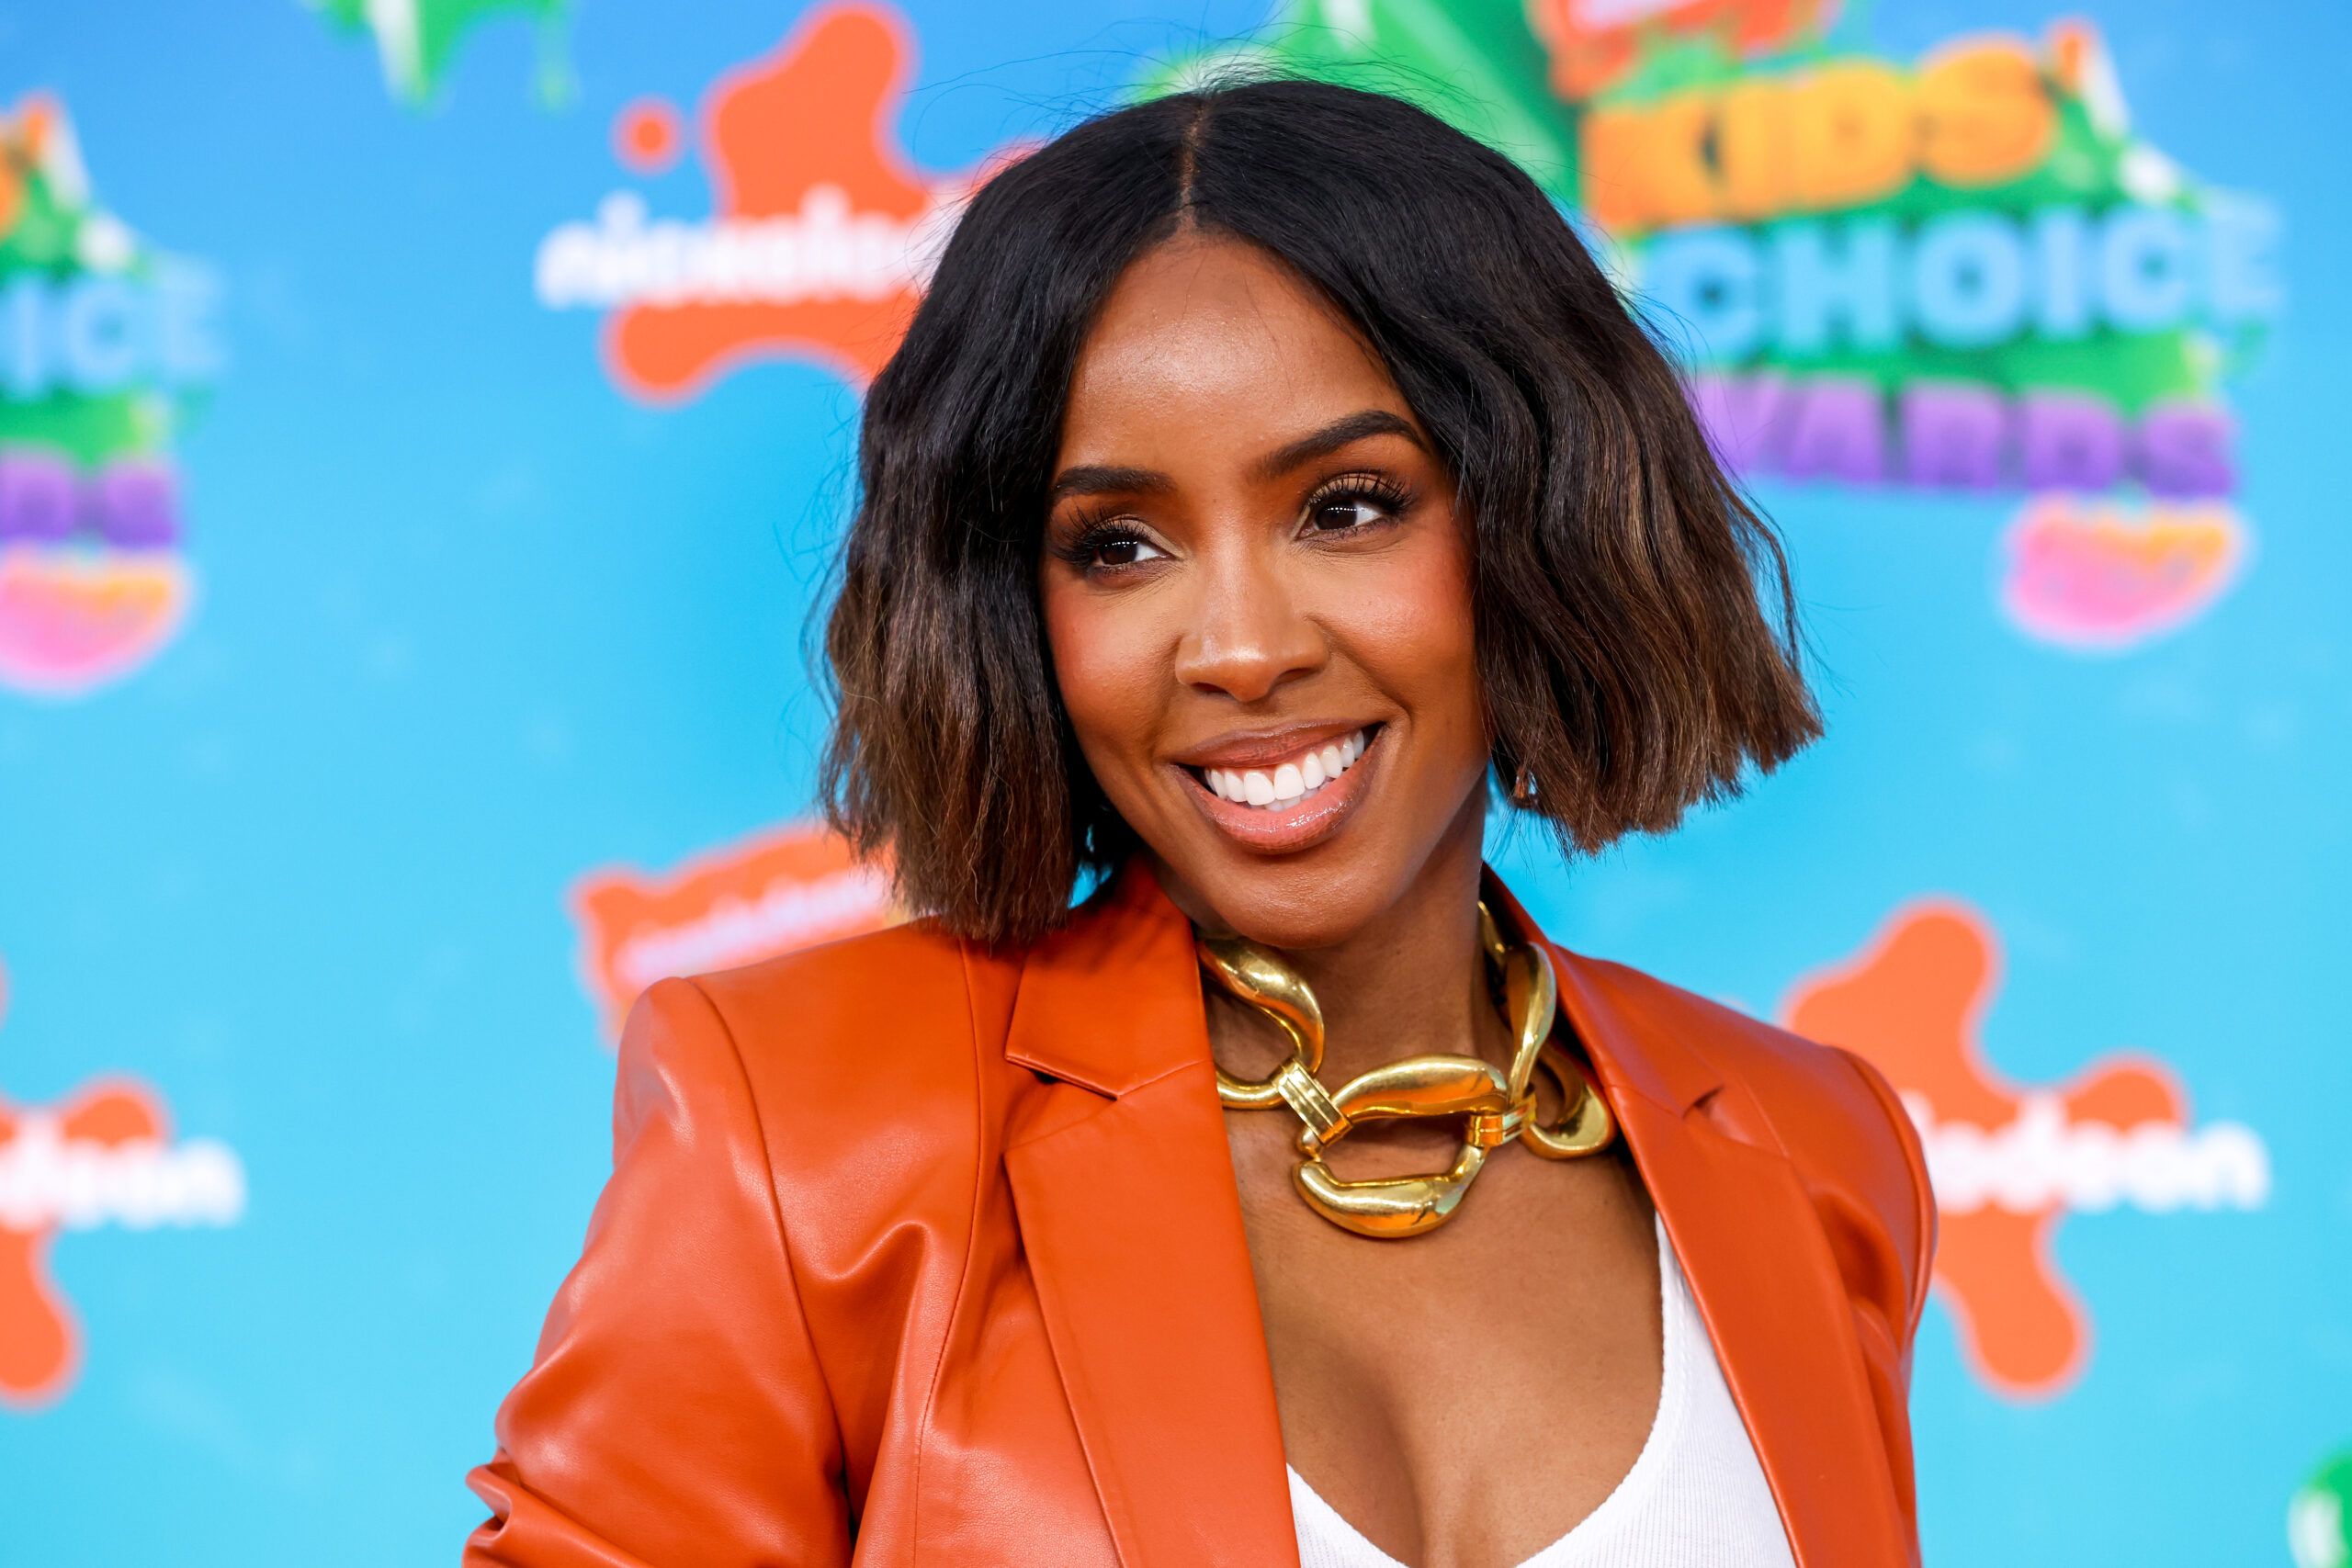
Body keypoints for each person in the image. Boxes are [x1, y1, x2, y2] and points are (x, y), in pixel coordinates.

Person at [460, 74, 1933, 1568]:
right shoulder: (806, 1136)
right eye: (1117, 546)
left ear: (1540, 512)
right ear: (1013, 608)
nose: (1239, 647)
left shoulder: (1812, 1149)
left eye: (1347, 507)